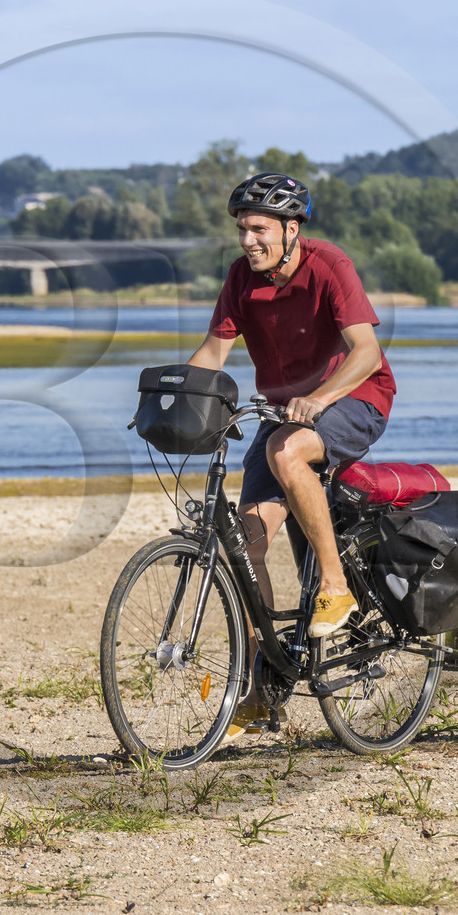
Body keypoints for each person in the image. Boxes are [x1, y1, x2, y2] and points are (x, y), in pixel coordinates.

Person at [185, 172, 397, 738]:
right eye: (242, 229)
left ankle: (336, 585)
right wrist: (177, 397)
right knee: (247, 542)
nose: (248, 240)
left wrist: (321, 396)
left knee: (285, 452)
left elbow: (367, 351)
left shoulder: (330, 266)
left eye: (259, 229)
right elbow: (215, 349)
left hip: (357, 399)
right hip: (285, 415)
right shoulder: (239, 279)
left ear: (291, 228)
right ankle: (264, 689)